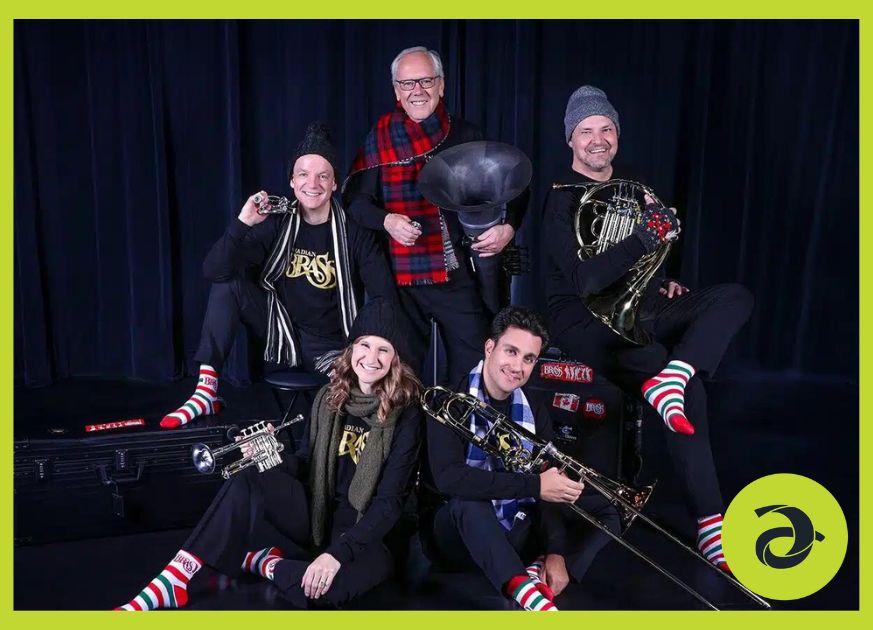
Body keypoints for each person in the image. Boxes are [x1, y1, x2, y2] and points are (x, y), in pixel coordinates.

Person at [542, 85, 754, 572]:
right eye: (586, 131)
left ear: (617, 134)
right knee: (692, 393)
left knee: (734, 297)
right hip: (583, 318)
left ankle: (674, 373)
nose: (598, 140)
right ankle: (710, 525)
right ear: (571, 141)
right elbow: (587, 279)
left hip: (639, 308)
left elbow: (650, 258)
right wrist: (643, 236)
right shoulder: (560, 200)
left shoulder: (634, 182)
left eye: (606, 129)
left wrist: (664, 283)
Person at [117, 299, 422, 610]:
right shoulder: (329, 398)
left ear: (396, 359)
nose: (372, 357)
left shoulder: (406, 415)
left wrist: (337, 555)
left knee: (326, 594)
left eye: (384, 349)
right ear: (351, 349)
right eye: (365, 344)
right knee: (247, 475)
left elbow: (389, 504)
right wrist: (270, 453)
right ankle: (176, 579)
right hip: (317, 517)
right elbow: (305, 464)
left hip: (368, 535)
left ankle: (268, 565)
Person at [161, 123, 395, 429]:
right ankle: (206, 391)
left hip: (329, 345)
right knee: (229, 285)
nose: (313, 183)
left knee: (359, 417)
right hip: (279, 330)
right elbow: (214, 270)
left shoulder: (354, 231)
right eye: (303, 174)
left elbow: (383, 296)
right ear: (292, 182)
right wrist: (242, 223)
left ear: (335, 184)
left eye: (323, 175)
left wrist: (360, 353)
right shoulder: (276, 223)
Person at [343, 46, 528, 384]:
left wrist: (508, 228)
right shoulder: (379, 137)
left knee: (474, 368)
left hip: (457, 274)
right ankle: (409, 438)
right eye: (408, 83)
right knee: (402, 377)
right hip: (399, 280)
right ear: (397, 91)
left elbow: (514, 187)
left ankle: (455, 435)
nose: (418, 91)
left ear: (441, 86)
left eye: (426, 81)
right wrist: (387, 221)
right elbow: (355, 204)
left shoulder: (465, 135)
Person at [418, 306, 620, 611]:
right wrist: (534, 486)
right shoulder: (448, 402)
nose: (518, 366)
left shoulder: (534, 408)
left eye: (528, 359)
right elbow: (450, 479)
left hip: (517, 532)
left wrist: (556, 552)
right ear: (490, 347)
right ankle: (530, 597)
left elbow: (548, 487)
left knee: (609, 509)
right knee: (468, 502)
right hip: (457, 537)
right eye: (511, 352)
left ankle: (539, 571)